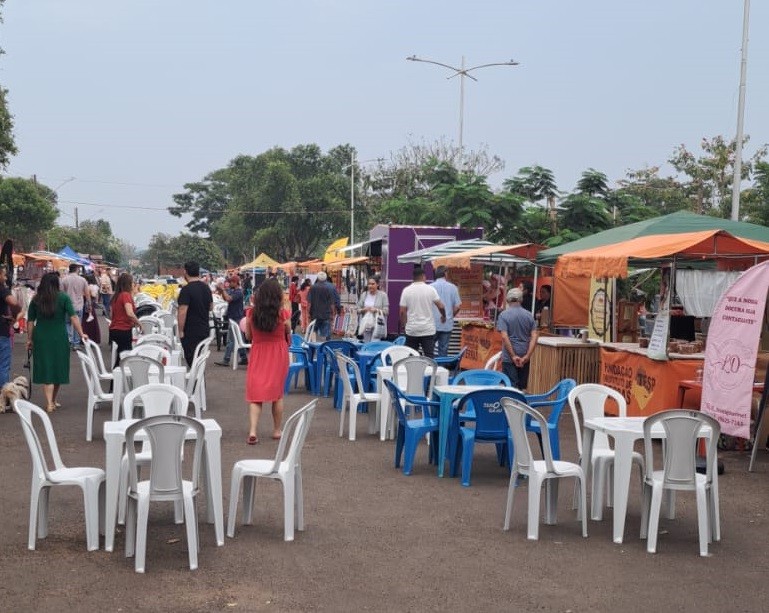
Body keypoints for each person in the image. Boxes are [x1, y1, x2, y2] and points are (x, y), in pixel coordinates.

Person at [26, 272, 88, 412]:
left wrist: (29, 339)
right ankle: (52, 400)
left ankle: (49, 402)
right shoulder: (63, 298)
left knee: (46, 368)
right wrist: (81, 333)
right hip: (59, 336)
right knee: (58, 368)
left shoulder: (36, 299)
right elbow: (73, 317)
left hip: (41, 336)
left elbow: (30, 321)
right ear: (56, 284)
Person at [243, 278, 290, 445]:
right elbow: (288, 335)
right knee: (277, 394)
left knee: (255, 394)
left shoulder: (251, 313)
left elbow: (249, 336)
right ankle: (277, 430)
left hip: (259, 352)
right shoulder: (283, 314)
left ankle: (253, 431)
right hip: (278, 353)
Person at [496, 287, 539, 391]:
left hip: (509, 357)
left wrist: (513, 356)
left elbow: (504, 336)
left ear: (508, 300)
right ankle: (520, 406)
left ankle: (510, 406)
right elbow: (534, 336)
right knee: (521, 388)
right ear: (521, 300)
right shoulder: (529, 315)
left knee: (510, 387)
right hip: (524, 356)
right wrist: (527, 356)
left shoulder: (504, 315)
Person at [399, 266, 445, 358]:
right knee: (429, 356)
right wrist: (443, 316)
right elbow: (441, 306)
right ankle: (429, 372)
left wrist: (404, 325)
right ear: (423, 276)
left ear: (413, 277)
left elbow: (402, 312)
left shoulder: (406, 291)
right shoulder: (431, 290)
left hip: (412, 330)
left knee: (411, 356)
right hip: (427, 329)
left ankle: (413, 372)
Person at [177, 261, 214, 367]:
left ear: (185, 272)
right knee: (200, 363)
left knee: (192, 362)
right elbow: (211, 307)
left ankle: (195, 382)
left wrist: (180, 331)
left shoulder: (186, 290)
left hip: (191, 331)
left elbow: (182, 312)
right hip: (204, 329)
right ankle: (199, 382)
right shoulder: (206, 288)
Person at [108, 272, 141, 367]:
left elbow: (111, 314)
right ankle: (117, 379)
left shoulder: (116, 296)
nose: (133, 284)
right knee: (124, 358)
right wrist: (139, 323)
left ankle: (116, 379)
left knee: (120, 356)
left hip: (114, 329)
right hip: (123, 330)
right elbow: (129, 313)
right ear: (128, 283)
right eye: (132, 283)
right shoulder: (125, 295)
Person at [215, 275, 248, 367]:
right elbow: (226, 298)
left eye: (231, 282)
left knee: (231, 339)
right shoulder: (233, 290)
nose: (229, 283)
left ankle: (226, 359)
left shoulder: (238, 292)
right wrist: (222, 291)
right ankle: (244, 358)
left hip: (236, 318)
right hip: (235, 317)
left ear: (235, 282)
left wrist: (223, 290)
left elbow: (229, 299)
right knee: (239, 338)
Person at [430, 266, 462, 357]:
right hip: (447, 324)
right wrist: (451, 315)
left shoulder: (430, 287)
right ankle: (442, 369)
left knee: (429, 349)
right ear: (445, 273)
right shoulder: (453, 288)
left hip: (432, 324)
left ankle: (430, 368)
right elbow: (458, 306)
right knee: (443, 349)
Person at [60, 263, 89, 349]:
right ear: (77, 269)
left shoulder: (64, 280)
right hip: (79, 305)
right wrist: (89, 304)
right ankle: (76, 343)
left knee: (67, 323)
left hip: (67, 305)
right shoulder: (83, 280)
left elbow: (61, 293)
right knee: (78, 324)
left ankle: (69, 340)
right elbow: (87, 293)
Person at [0, 266, 20, 389]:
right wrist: (15, 314)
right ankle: (3, 396)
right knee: (3, 365)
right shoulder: (2, 290)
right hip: (1, 331)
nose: (5, 277)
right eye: (3, 275)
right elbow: (14, 302)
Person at [308, 271, 338, 341]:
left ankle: (314, 345)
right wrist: (333, 314)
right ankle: (324, 348)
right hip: (326, 314)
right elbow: (332, 303)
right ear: (326, 278)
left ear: (317, 278)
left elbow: (309, 302)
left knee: (313, 330)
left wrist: (308, 313)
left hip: (314, 314)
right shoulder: (330, 288)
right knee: (325, 333)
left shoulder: (312, 287)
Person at [357, 277, 389, 342]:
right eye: (369, 284)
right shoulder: (364, 294)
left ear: (377, 284)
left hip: (377, 325)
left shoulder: (383, 295)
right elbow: (358, 309)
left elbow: (386, 311)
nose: (370, 286)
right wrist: (363, 310)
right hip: (366, 325)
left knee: (375, 344)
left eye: (372, 284)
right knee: (366, 344)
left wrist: (376, 310)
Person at [82, 273, 101, 344]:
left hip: (87, 305)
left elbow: (86, 295)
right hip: (91, 305)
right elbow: (95, 296)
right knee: (92, 322)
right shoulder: (94, 287)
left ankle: (85, 336)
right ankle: (93, 337)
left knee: (85, 322)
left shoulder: (88, 287)